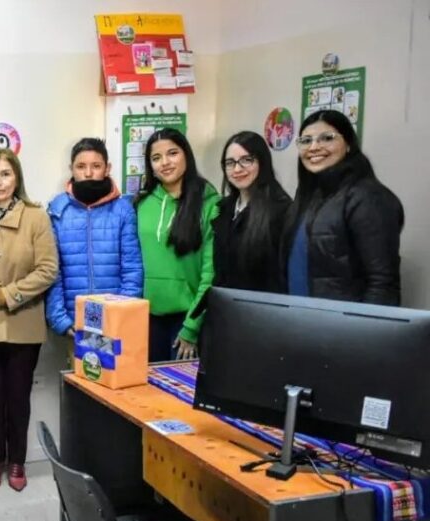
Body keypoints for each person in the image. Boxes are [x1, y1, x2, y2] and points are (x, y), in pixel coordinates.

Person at [0, 148, 58, 492]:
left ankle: (18, 462)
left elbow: (48, 270)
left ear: (17, 177)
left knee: (18, 398)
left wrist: (7, 294)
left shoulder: (36, 217)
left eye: (5, 174)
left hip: (24, 323)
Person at [284, 110, 404, 305]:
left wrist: (362, 333)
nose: (314, 147)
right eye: (306, 141)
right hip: (301, 321)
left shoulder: (368, 197)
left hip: (343, 329)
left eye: (327, 138)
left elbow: (382, 283)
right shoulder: (308, 196)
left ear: (348, 144)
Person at [134, 128, 219, 362]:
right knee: (147, 392)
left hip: (187, 320)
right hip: (147, 317)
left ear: (186, 156)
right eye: (156, 158)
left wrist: (192, 326)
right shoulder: (142, 203)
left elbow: (211, 273)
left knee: (180, 394)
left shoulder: (210, 203)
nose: (165, 163)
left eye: (172, 153)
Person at [46, 137, 142, 339]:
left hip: (116, 320)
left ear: (107, 168)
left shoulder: (123, 209)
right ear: (71, 169)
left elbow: (132, 269)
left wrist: (122, 315)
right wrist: (60, 320)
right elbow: (52, 271)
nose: (88, 173)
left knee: (116, 370)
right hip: (74, 322)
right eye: (81, 166)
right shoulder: (58, 209)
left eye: (96, 166)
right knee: (80, 371)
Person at [213, 131, 291, 292]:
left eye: (246, 160)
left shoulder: (281, 210)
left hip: (262, 308)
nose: (237, 169)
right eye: (230, 163)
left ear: (262, 162)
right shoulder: (223, 208)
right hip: (226, 305)